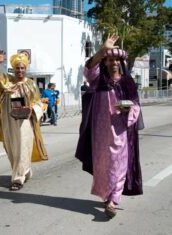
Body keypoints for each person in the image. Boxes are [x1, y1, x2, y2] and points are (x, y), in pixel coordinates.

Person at [75, 34, 143, 218]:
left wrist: (128, 109)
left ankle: (113, 200)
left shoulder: (127, 82)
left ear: (121, 62)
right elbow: (89, 69)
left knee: (119, 166)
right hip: (99, 133)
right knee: (103, 166)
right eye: (110, 59)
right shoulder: (98, 80)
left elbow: (136, 104)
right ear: (105, 62)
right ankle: (107, 196)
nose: (113, 62)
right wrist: (103, 50)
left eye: (116, 59)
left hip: (120, 130)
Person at [0, 50, 48, 191]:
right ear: (13, 69)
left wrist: (31, 110)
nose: (20, 71)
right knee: (12, 149)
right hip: (8, 120)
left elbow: (39, 102)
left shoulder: (31, 84)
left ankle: (18, 178)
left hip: (24, 121)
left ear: (25, 69)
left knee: (22, 147)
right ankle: (25, 170)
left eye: (22, 68)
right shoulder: (6, 81)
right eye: (17, 68)